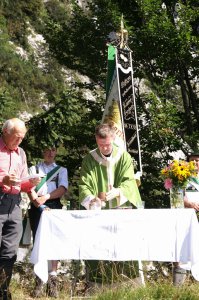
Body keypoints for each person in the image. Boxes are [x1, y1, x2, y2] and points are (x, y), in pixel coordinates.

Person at [79, 123, 142, 284]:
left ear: (113, 138)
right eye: (101, 145)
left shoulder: (124, 156)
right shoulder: (89, 159)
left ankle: (127, 283)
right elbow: (84, 185)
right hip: (98, 212)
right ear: (96, 140)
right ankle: (97, 284)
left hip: (121, 210)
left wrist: (118, 192)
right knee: (97, 246)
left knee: (124, 244)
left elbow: (130, 182)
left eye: (107, 144)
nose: (105, 148)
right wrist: (91, 199)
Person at [0, 118, 40, 300]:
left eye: (22, 138)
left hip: (15, 204)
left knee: (10, 252)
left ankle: (3, 291)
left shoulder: (21, 153)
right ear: (5, 132)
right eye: (17, 138)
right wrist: (3, 180)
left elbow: (23, 182)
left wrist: (30, 183)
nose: (19, 142)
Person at [28, 146, 68, 298]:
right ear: (43, 151)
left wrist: (45, 198)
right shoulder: (34, 168)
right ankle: (39, 280)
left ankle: (53, 279)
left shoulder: (61, 170)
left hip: (54, 206)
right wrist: (37, 201)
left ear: (56, 152)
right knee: (38, 240)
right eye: (47, 149)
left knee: (54, 242)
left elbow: (63, 188)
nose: (50, 153)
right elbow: (29, 187)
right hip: (36, 206)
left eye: (53, 150)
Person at [173, 153, 199, 286]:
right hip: (186, 219)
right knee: (182, 250)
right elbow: (177, 196)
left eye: (197, 161)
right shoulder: (181, 177)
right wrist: (188, 203)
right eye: (192, 161)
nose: (195, 163)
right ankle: (178, 288)